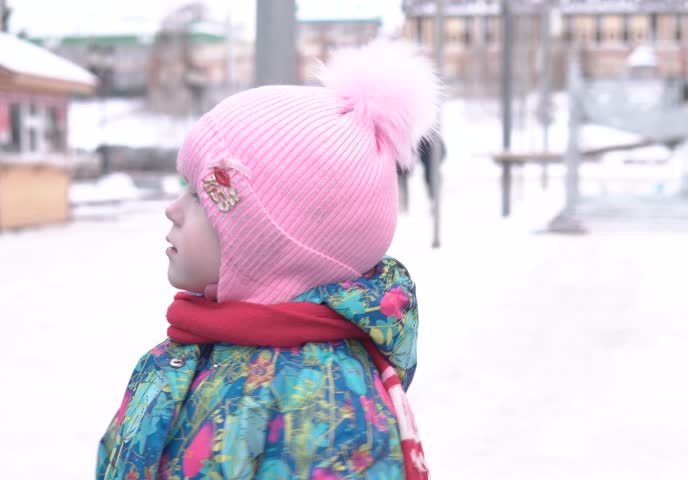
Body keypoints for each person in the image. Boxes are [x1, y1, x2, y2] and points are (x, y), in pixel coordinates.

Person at [96, 41, 437, 479]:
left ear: (268, 248)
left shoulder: (324, 410)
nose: (173, 208)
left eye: (200, 196)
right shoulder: (192, 351)